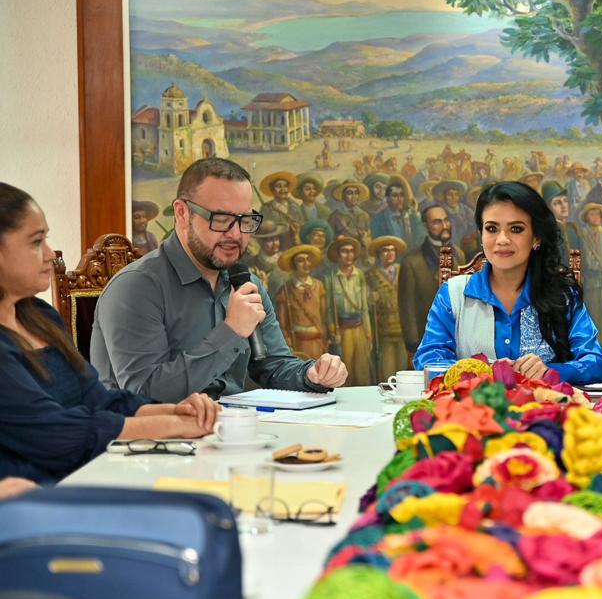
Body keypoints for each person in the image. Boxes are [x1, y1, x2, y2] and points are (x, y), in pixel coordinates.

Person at [0, 183, 218, 484]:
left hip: (93, 473)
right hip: (39, 493)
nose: (51, 254)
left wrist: (176, 412)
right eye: (37, 242)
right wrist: (173, 426)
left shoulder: (40, 316)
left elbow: (100, 400)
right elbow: (57, 435)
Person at [91, 158, 348, 402]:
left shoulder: (245, 282)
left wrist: (312, 375)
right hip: (154, 431)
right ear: (182, 213)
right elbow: (144, 393)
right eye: (222, 220)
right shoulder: (136, 287)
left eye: (245, 220)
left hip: (232, 425)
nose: (235, 234)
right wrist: (231, 331)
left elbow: (273, 366)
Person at [414, 181, 602, 385]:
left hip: (545, 405)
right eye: (491, 228)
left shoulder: (562, 294)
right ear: (481, 235)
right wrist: (484, 372)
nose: (502, 240)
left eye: (516, 229)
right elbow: (428, 362)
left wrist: (551, 371)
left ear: (536, 238)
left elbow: (597, 363)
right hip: (473, 405)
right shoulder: (453, 294)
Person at [398, 204, 464, 358]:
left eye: (446, 220)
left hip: (458, 339)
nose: (445, 226)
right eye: (437, 222)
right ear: (425, 226)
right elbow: (407, 307)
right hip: (426, 339)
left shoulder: (459, 255)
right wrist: (413, 344)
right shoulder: (412, 262)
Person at [323, 236, 373, 386]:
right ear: (338, 255)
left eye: (351, 251)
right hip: (342, 330)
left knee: (362, 368)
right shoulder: (330, 277)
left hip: (359, 327)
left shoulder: (360, 275)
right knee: (345, 369)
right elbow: (329, 309)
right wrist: (333, 332)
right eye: (344, 251)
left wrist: (368, 332)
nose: (348, 255)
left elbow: (364, 307)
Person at [275, 245, 328, 360]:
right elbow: (282, 322)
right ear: (293, 265)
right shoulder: (286, 290)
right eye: (300, 260)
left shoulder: (319, 286)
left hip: (318, 341)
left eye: (308, 259)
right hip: (298, 343)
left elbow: (324, 316)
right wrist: (287, 340)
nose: (306, 264)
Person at [366, 236, 408, 378]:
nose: (389, 254)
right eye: (385, 250)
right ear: (378, 254)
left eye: (392, 250)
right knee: (387, 368)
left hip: (403, 327)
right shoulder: (370, 275)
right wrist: (371, 299)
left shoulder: (403, 270)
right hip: (383, 330)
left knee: (403, 366)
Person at [578, 202, 602, 344]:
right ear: (587, 217)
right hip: (588, 280)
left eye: (598, 214)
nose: (596, 217)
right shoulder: (581, 234)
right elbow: (577, 256)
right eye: (592, 214)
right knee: (591, 312)